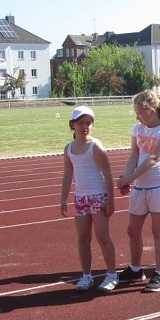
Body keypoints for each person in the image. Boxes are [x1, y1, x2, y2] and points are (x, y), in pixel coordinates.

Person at [116, 91, 160, 292]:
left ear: (151, 110)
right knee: (132, 230)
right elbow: (133, 155)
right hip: (140, 188)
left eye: (139, 112)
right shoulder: (137, 128)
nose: (137, 117)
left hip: (159, 187)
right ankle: (136, 268)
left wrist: (129, 178)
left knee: (157, 229)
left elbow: (153, 159)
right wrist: (126, 177)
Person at [59, 105, 118, 292]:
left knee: (103, 237)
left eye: (88, 123)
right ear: (72, 125)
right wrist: (63, 199)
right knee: (83, 238)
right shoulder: (69, 148)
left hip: (98, 196)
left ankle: (111, 274)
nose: (85, 127)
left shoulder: (95, 146)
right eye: (81, 123)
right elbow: (68, 175)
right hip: (81, 198)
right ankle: (86, 276)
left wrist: (110, 200)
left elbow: (108, 174)